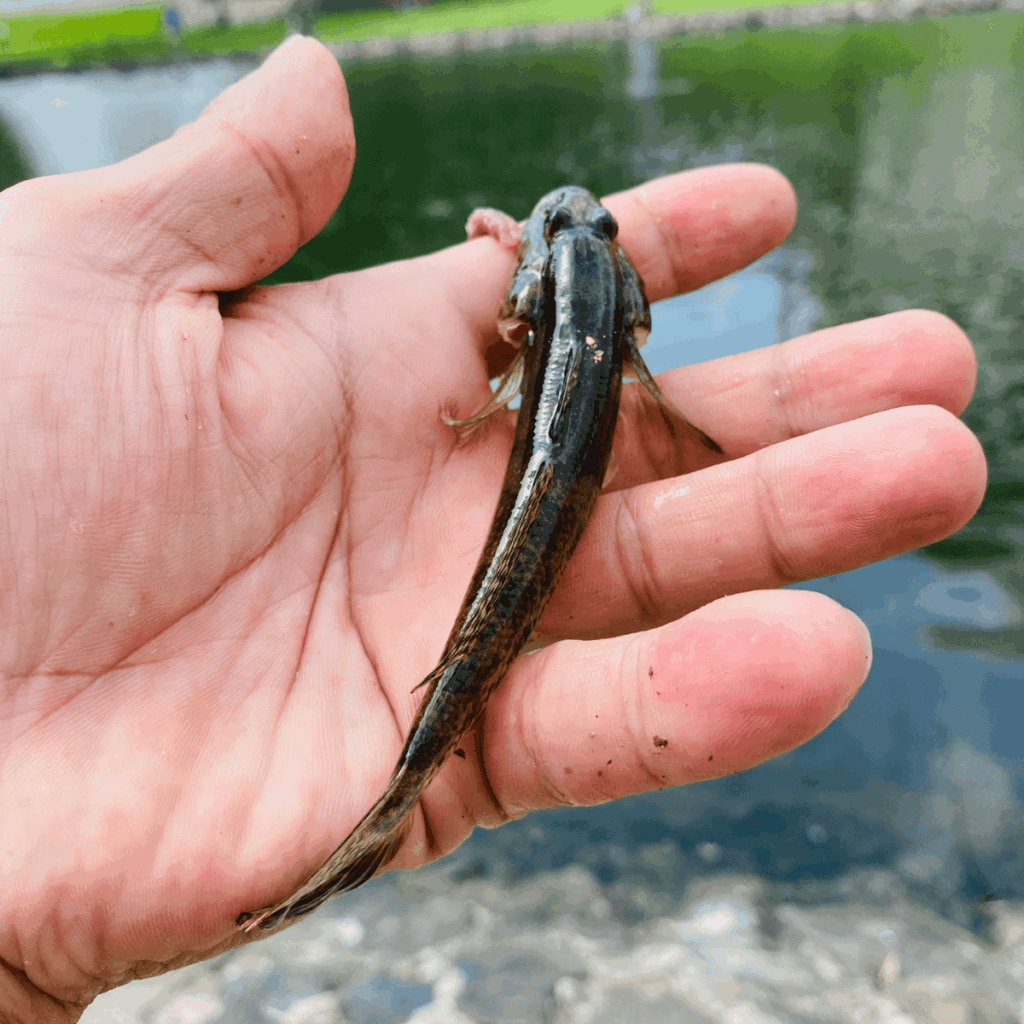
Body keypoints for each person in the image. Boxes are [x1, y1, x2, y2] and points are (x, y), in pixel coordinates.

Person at [0, 34, 985, 1023]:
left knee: (487, 646)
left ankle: (382, 806)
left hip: (541, 456)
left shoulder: (542, 266)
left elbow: (520, 323)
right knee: (488, 645)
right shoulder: (602, 265)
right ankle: (379, 807)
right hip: (557, 451)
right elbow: (601, 329)